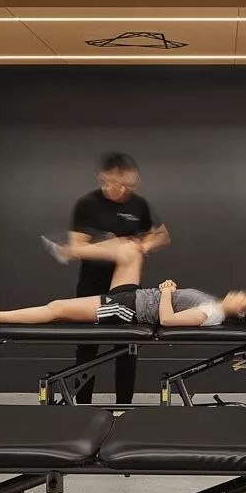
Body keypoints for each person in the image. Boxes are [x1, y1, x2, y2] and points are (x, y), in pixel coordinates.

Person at [0, 236, 246, 331]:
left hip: (126, 310)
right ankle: (69, 251)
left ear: (242, 312)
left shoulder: (211, 313)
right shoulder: (213, 303)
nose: (240, 293)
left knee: (56, 309)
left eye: (245, 298)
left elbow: (167, 320)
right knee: (130, 248)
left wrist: (166, 292)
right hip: (134, 297)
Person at [54, 152, 170, 405]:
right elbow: (76, 247)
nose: (124, 190)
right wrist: (114, 248)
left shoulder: (139, 205)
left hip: (127, 290)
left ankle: (123, 407)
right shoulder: (87, 205)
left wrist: (143, 245)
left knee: (127, 348)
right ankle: (83, 407)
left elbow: (162, 235)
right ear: (104, 178)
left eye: (130, 185)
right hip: (92, 286)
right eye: (119, 184)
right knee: (87, 348)